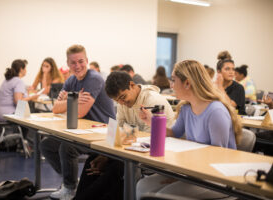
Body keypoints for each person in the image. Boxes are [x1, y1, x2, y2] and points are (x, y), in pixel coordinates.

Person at [136, 60, 242, 200]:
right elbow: (173, 133)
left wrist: (183, 175)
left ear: (187, 83)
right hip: (193, 171)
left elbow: (218, 157)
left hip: (217, 178)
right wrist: (152, 121)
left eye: (174, 80)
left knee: (163, 196)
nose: (171, 85)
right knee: (142, 186)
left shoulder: (216, 111)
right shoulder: (186, 108)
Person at [73, 71, 175, 200]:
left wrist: (116, 149)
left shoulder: (153, 100)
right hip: (131, 152)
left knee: (117, 168)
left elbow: (149, 140)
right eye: (117, 101)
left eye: (122, 97)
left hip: (157, 154)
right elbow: (117, 131)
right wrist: (104, 155)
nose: (121, 103)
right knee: (93, 160)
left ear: (132, 85)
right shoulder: (123, 102)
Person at [40, 45, 115, 200]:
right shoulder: (71, 80)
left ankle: (70, 188)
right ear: (68, 64)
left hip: (103, 133)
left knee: (67, 148)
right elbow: (55, 108)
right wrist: (72, 98)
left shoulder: (94, 79)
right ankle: (72, 181)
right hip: (81, 130)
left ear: (87, 61)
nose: (77, 66)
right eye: (73, 62)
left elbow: (80, 112)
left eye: (81, 61)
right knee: (46, 144)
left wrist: (67, 99)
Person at [215, 51, 246, 115]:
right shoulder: (212, 87)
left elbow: (231, 106)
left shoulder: (238, 88)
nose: (231, 72)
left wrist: (220, 87)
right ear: (219, 72)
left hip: (237, 121)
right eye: (227, 69)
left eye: (233, 69)